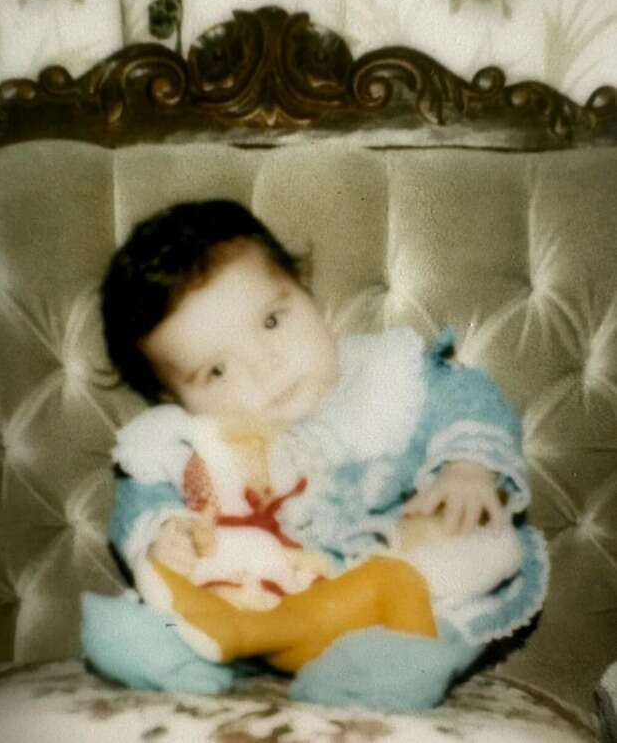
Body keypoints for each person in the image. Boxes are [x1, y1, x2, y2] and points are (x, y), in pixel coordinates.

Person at [81, 200, 547, 712]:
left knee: (471, 553)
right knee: (164, 606)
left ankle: (395, 659)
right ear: (173, 399)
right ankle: (166, 646)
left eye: (271, 321)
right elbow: (141, 501)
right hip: (259, 604)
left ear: (306, 292)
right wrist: (164, 534)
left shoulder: (389, 379)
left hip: (393, 591)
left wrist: (467, 469)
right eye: (217, 370)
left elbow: (466, 401)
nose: (265, 366)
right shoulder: (188, 444)